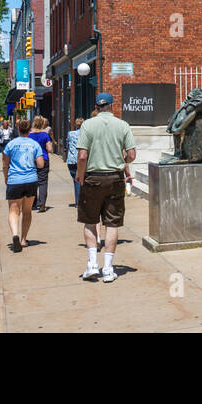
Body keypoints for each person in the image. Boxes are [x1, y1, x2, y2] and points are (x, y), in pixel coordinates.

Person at [76, 93, 136, 283]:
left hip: (93, 177)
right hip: (115, 178)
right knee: (112, 223)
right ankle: (108, 269)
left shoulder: (87, 125)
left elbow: (82, 156)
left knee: (90, 220)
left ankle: (93, 264)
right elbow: (132, 155)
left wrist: (80, 174)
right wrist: (120, 161)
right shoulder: (123, 125)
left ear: (97, 106)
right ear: (111, 106)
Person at [2, 118, 44, 252]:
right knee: (27, 211)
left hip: (15, 180)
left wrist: (6, 178)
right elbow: (41, 164)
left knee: (14, 211)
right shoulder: (34, 144)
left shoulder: (11, 144)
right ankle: (24, 239)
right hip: (31, 180)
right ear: (29, 129)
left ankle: (15, 235)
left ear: (18, 128)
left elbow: (5, 164)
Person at [29, 116, 55, 212]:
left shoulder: (29, 135)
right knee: (43, 182)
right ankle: (42, 204)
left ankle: (33, 203)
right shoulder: (44, 135)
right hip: (44, 159)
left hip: (31, 160)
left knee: (32, 182)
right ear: (42, 124)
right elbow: (49, 149)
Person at [66, 118, 84, 206]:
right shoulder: (85, 134)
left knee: (76, 181)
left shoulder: (70, 134)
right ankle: (82, 201)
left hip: (71, 160)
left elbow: (68, 144)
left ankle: (78, 201)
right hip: (82, 159)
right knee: (83, 180)